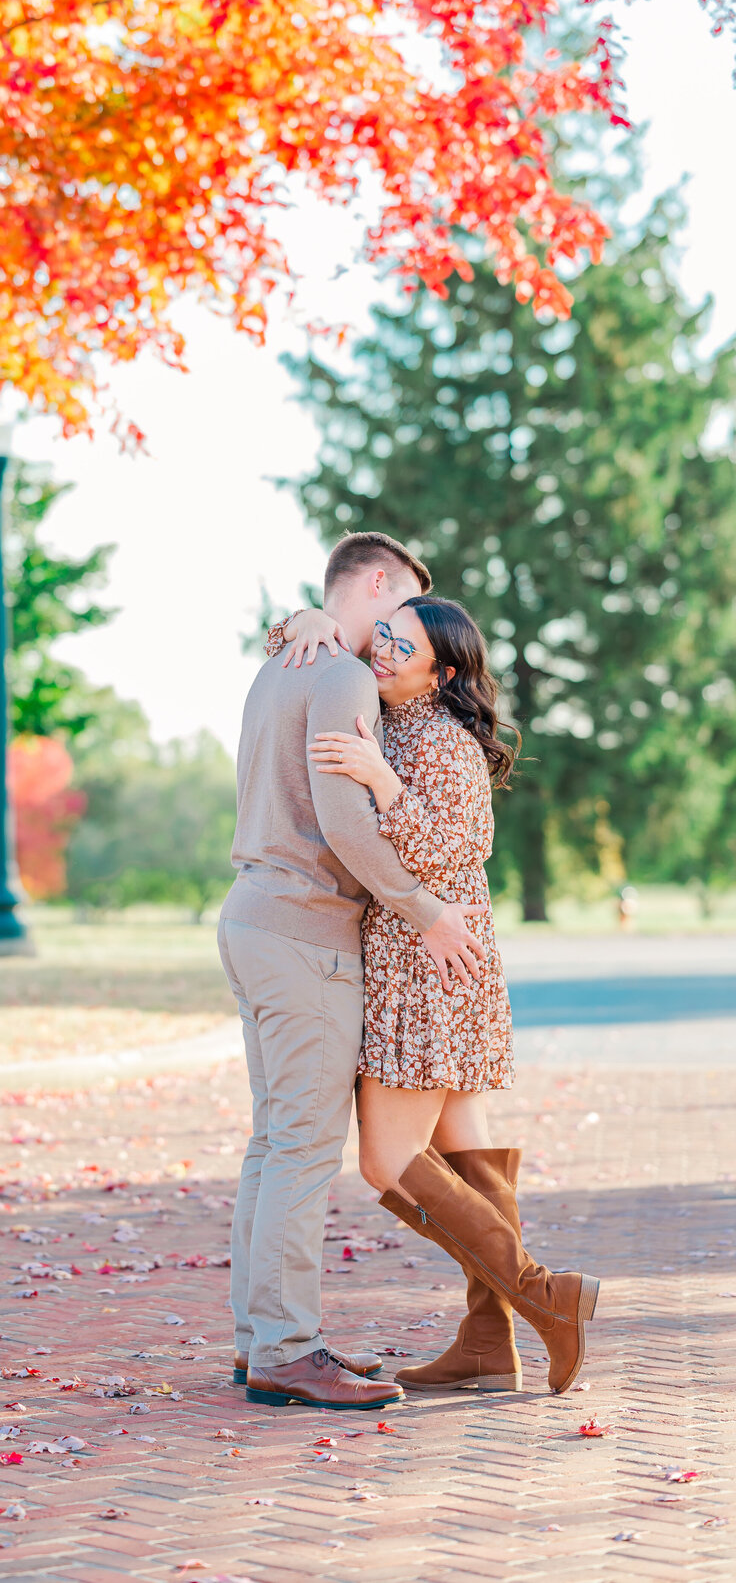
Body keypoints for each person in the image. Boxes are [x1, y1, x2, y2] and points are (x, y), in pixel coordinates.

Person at [277, 591, 600, 1395]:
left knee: (388, 1160)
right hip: (431, 955)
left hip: (428, 962)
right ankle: (489, 1342)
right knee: (468, 1150)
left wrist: (383, 782)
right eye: (381, 635)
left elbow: (464, 850)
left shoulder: (439, 740)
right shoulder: (397, 715)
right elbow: (300, 641)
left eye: (402, 646)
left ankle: (543, 1297)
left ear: (441, 672)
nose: (382, 651)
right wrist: (306, 622)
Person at [218, 531, 492, 1412]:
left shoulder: (280, 667)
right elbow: (345, 823)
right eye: (405, 602)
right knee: (300, 1149)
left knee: (271, 1145)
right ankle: (288, 1351)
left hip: (252, 917)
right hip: (307, 932)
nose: (400, 628)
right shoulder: (337, 673)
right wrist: (425, 910)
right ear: (377, 584)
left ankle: (260, 1339)